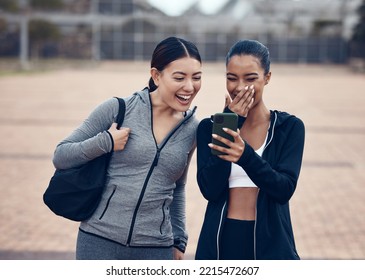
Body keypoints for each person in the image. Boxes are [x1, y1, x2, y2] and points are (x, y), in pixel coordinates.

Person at [52, 37, 202, 260]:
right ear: (156, 75)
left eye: (196, 78)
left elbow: (177, 186)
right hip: (99, 239)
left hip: (156, 248)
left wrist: (179, 239)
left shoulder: (192, 129)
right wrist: (106, 142)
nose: (189, 87)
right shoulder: (118, 109)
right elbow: (61, 155)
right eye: (179, 77)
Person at [195, 39, 305, 260]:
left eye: (251, 78)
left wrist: (245, 156)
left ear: (267, 78)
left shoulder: (289, 127)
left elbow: (283, 189)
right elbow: (210, 189)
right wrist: (229, 123)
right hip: (221, 243)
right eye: (232, 78)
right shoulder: (209, 128)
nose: (240, 87)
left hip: (272, 245)